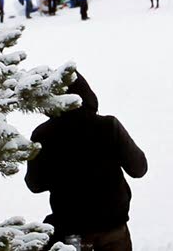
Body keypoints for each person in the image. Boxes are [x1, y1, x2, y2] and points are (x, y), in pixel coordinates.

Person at [26, 73, 147, 251]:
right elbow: (139, 168)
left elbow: (35, 184)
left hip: (72, 231)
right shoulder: (108, 126)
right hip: (113, 227)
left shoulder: (43, 134)